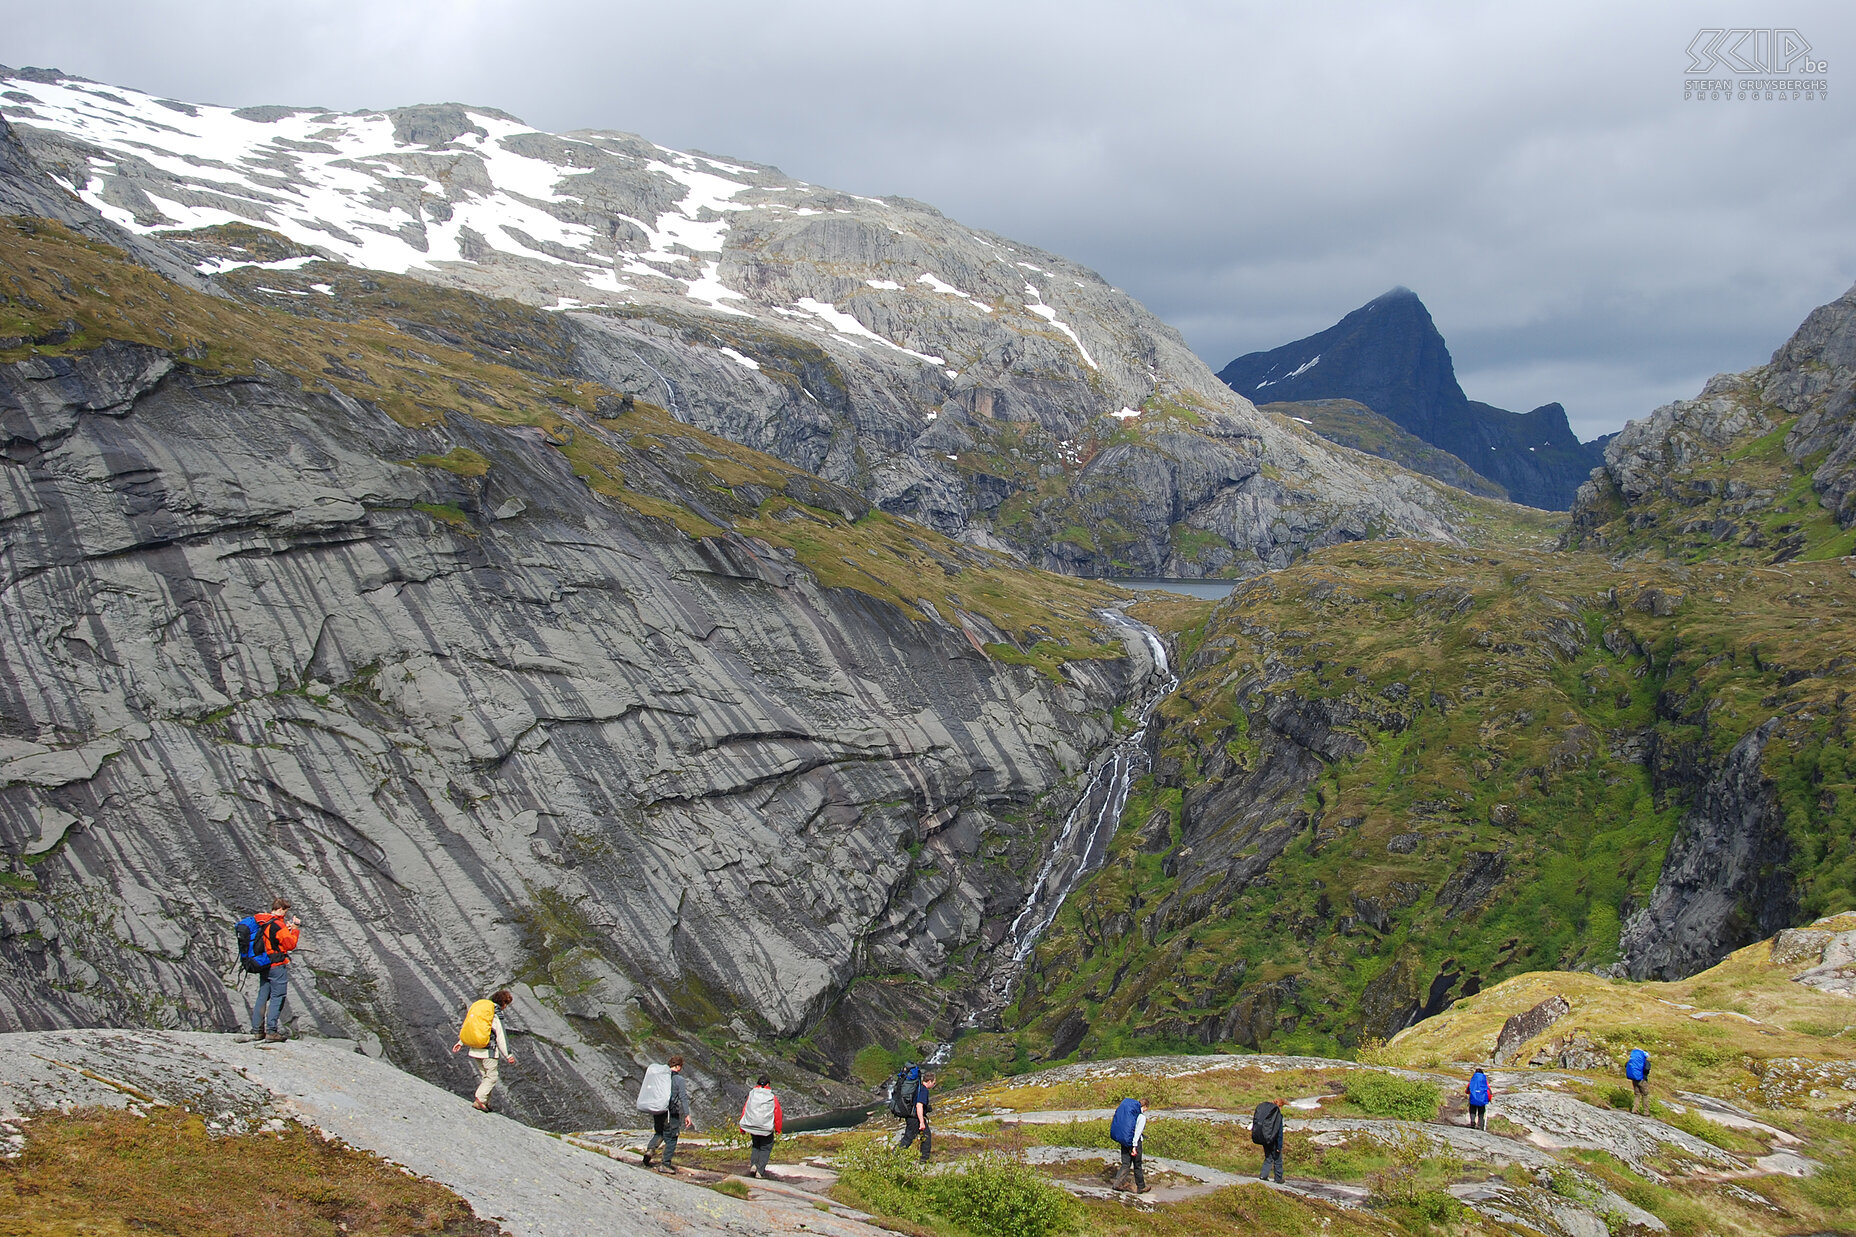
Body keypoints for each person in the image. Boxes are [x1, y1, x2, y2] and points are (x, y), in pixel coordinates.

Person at [450, 989, 516, 1111]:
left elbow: (470, 1025)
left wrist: (461, 1042)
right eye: (506, 1004)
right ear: (504, 1003)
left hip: (475, 1048)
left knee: (486, 1076)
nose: (506, 1007)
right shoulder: (495, 1012)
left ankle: (485, 1102)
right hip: (488, 1050)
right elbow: (501, 1034)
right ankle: (479, 1099)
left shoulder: (483, 1008)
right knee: (492, 1077)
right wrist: (508, 1054)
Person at [245, 898, 300, 1043]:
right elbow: (290, 944)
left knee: (262, 996)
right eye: (286, 911)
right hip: (277, 965)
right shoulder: (278, 924)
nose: (286, 914)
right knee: (278, 996)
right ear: (281, 909)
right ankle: (271, 1031)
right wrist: (294, 929)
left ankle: (257, 1031)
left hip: (264, 964)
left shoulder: (261, 921)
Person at [643, 1056, 695, 1172]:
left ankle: (650, 1150)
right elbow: (683, 1097)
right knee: (672, 1138)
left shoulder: (660, 1078)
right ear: (678, 1066)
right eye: (680, 1066)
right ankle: (665, 1165)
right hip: (670, 1113)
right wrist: (687, 1115)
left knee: (659, 1132)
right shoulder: (679, 1080)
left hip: (658, 1111)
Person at [738, 1074, 784, 1179]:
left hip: (752, 1126)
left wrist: (742, 1127)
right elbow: (777, 1113)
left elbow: (745, 1110)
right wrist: (778, 1129)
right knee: (765, 1148)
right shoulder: (772, 1097)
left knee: (756, 1145)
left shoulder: (752, 1094)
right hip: (766, 1128)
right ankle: (760, 1171)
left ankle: (753, 1165)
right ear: (768, 1084)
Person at [1109, 1097, 1149, 1193]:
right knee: (1137, 1165)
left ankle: (1117, 1183)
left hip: (1125, 1140)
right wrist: (1134, 1146)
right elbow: (1137, 1132)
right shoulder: (1141, 1117)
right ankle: (1141, 1186)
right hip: (1135, 1142)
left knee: (1126, 1164)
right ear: (1145, 1107)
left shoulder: (1131, 1114)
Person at [898, 1069, 934, 1162]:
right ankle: (894, 1156)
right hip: (915, 1118)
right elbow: (919, 1105)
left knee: (925, 1136)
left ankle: (924, 1159)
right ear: (929, 1081)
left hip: (912, 1116)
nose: (934, 1085)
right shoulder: (923, 1090)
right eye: (933, 1082)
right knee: (908, 1138)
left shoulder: (918, 1087)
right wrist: (921, 1121)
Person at [1251, 1096, 1285, 1184]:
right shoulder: (1277, 1115)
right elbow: (1279, 1132)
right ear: (1280, 1106)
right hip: (1274, 1140)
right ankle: (1278, 1178)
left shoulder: (1268, 1113)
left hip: (1265, 1138)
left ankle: (1263, 1175)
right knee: (1277, 1159)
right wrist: (1279, 1146)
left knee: (1268, 1157)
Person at [1626, 1048, 1652, 1114]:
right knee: (1645, 1095)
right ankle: (1646, 1112)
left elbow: (1626, 1065)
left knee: (1637, 1094)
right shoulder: (1645, 1062)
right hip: (1642, 1079)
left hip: (1634, 1079)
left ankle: (1634, 1109)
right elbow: (1647, 1069)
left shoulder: (1632, 1061)